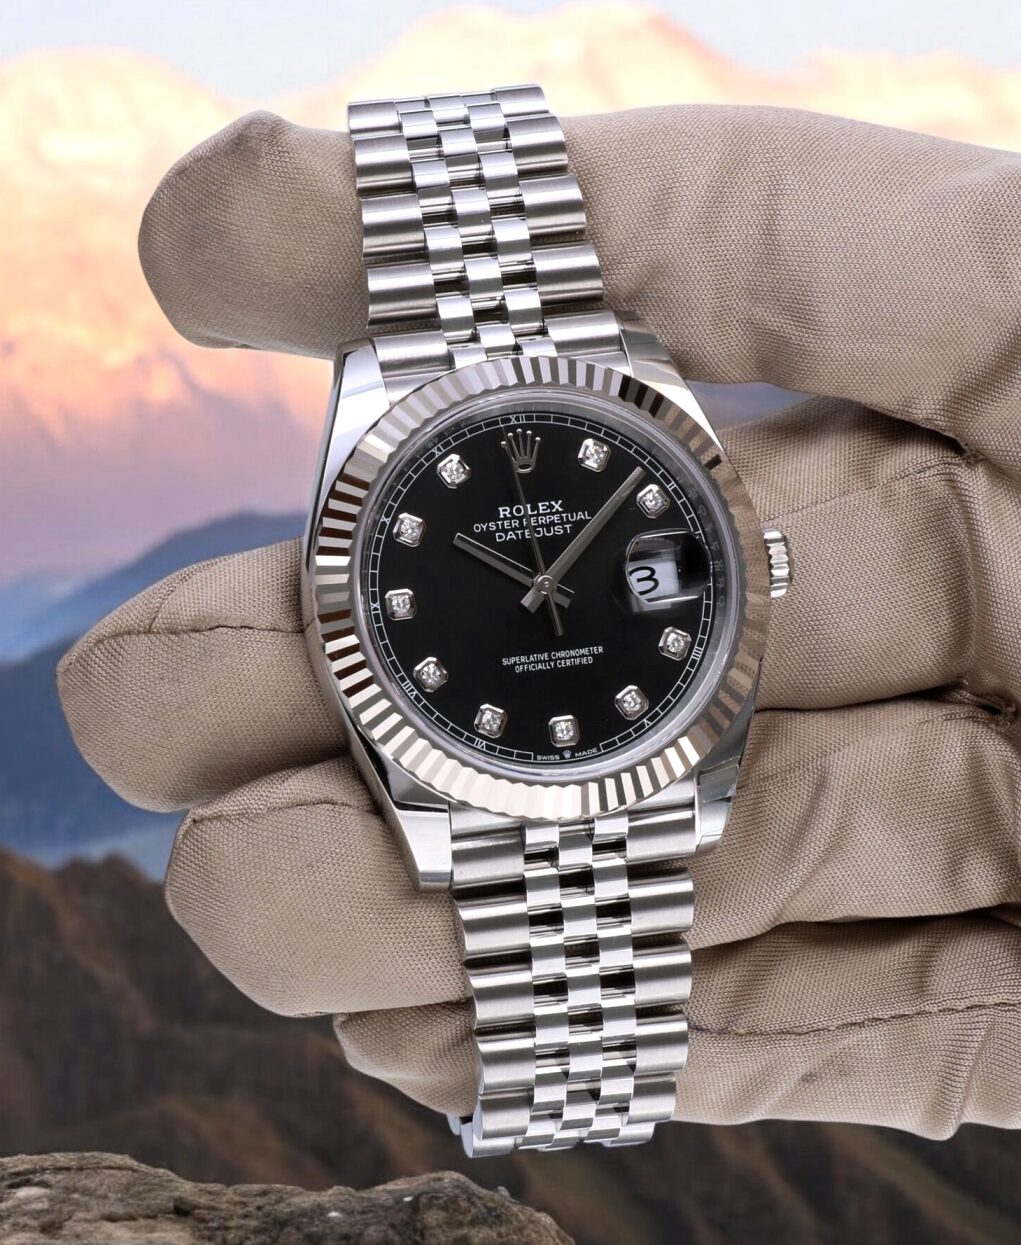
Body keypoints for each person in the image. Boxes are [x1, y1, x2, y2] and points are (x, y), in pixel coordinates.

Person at [59, 103, 1021, 1136]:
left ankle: (574, 1063)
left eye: (550, 575)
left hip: (599, 734)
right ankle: (572, 1062)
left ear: (760, 557)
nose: (543, 592)